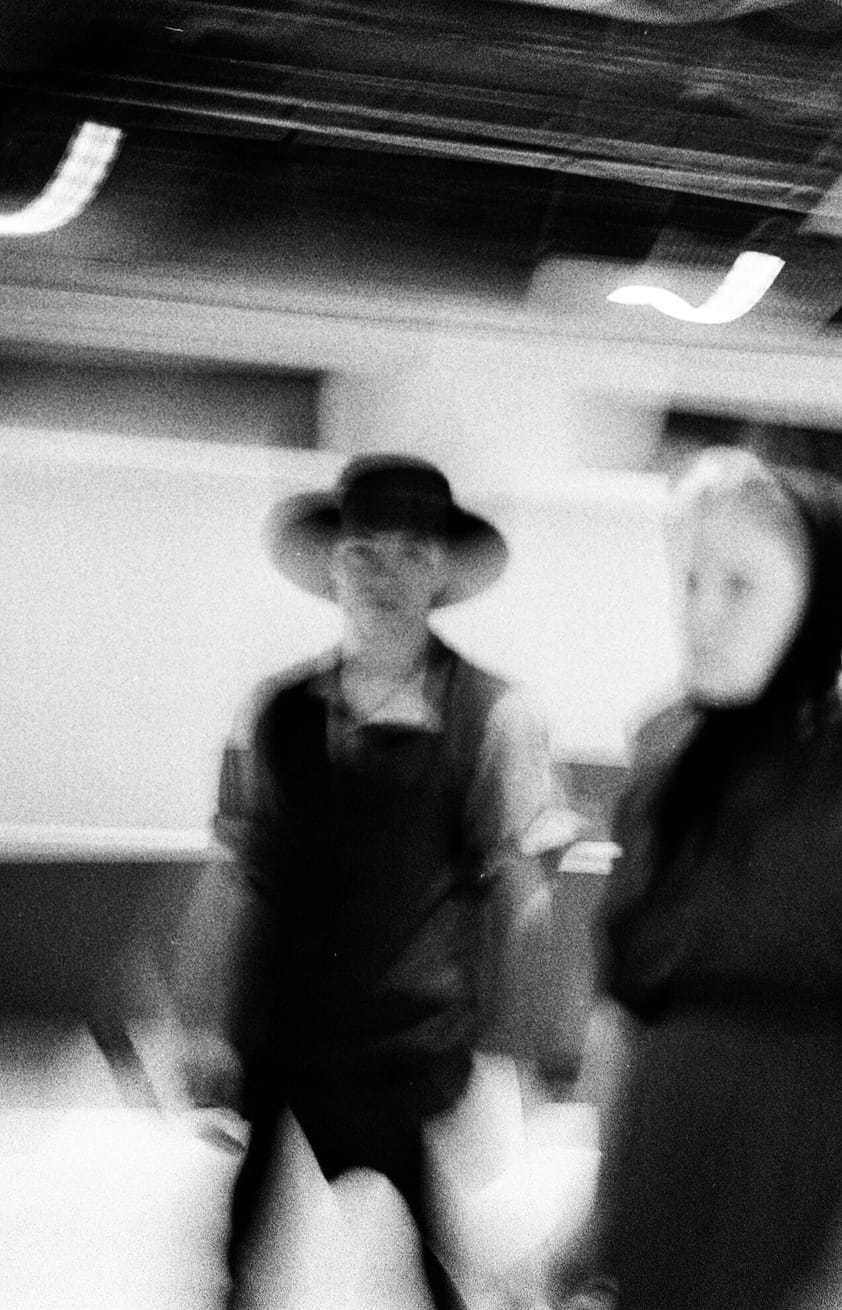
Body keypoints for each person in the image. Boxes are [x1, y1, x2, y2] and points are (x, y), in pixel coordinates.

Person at [576, 449, 842, 1310]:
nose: (701, 613)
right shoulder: (670, 777)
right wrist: (591, 1219)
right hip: (658, 1227)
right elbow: (625, 1018)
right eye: (689, 580)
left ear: (822, 603)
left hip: (803, 1232)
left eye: (740, 585)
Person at [176, 454, 574, 1310]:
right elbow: (244, 874)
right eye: (366, 551)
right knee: (238, 1271)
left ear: (440, 573)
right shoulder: (279, 711)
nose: (386, 575)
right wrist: (206, 1018)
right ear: (333, 566)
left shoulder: (493, 714)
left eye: (412, 552)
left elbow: (521, 896)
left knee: (451, 1278)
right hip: (288, 1049)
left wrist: (515, 1060)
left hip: (417, 1062)